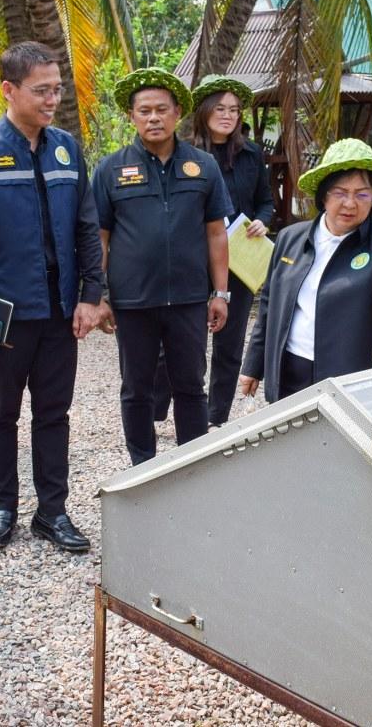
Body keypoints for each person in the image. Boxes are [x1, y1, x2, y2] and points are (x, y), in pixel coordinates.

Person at [0, 41, 107, 552]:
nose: (52, 99)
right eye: (41, 90)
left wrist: (91, 294)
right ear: (8, 90)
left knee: (54, 414)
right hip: (4, 313)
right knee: (0, 413)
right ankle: (3, 507)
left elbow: (86, 226)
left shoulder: (67, 148)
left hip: (60, 309)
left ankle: (52, 511)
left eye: (57, 89)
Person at [92, 68, 232, 465]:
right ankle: (143, 466)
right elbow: (99, 237)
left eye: (161, 110)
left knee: (190, 385)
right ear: (132, 117)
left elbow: (216, 233)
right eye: (144, 111)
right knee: (136, 388)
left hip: (188, 299)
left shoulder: (203, 166)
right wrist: (99, 295)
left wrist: (220, 293)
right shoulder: (110, 170)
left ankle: (192, 464)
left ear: (177, 114)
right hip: (132, 301)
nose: (153, 118)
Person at [240, 138, 372, 402]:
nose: (350, 203)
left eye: (362, 194)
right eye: (340, 193)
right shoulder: (290, 238)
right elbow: (269, 304)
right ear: (324, 195)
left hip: (346, 375)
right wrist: (253, 365)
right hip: (289, 370)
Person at [153, 75, 273, 427]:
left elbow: (266, 201)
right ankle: (156, 410)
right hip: (192, 257)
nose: (227, 116)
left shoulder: (252, 154)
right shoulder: (184, 153)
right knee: (177, 340)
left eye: (234, 110)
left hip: (239, 259)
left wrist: (262, 221)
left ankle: (214, 418)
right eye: (220, 108)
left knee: (230, 343)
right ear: (204, 111)